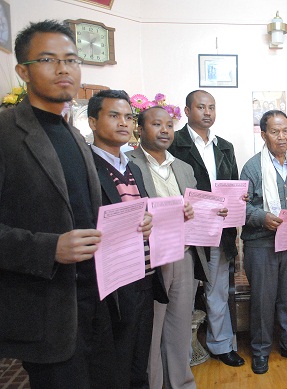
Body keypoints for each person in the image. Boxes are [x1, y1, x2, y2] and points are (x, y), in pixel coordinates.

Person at [0, 20, 120, 388]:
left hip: (96, 301)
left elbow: (86, 211)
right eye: (49, 59)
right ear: (23, 71)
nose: (64, 68)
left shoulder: (74, 135)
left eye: (71, 58)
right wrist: (49, 247)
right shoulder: (6, 133)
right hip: (47, 309)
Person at [88, 89, 169, 388]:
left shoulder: (132, 167)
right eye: (114, 115)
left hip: (144, 276)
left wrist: (150, 218)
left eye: (128, 116)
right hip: (112, 284)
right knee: (114, 364)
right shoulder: (87, 167)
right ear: (93, 122)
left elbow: (143, 212)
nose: (124, 122)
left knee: (139, 361)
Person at [168, 90, 244, 367]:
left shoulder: (225, 146)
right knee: (182, 294)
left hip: (219, 230)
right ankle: (181, 354)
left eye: (212, 107)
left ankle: (221, 345)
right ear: (187, 111)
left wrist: (239, 200)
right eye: (201, 107)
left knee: (217, 291)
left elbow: (233, 184)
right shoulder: (173, 141)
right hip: (184, 230)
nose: (207, 112)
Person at [127, 106, 201, 389]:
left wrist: (206, 211)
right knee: (151, 329)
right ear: (141, 129)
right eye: (157, 124)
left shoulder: (183, 167)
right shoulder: (128, 162)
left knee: (180, 327)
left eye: (169, 125)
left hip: (183, 254)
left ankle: (181, 383)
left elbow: (195, 209)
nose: (165, 130)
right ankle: (154, 384)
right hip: (150, 258)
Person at [240, 110, 287, 374]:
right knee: (263, 299)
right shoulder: (252, 167)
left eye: (285, 130)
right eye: (274, 131)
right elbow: (240, 208)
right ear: (263, 135)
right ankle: (261, 350)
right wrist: (262, 217)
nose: (281, 136)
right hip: (261, 245)